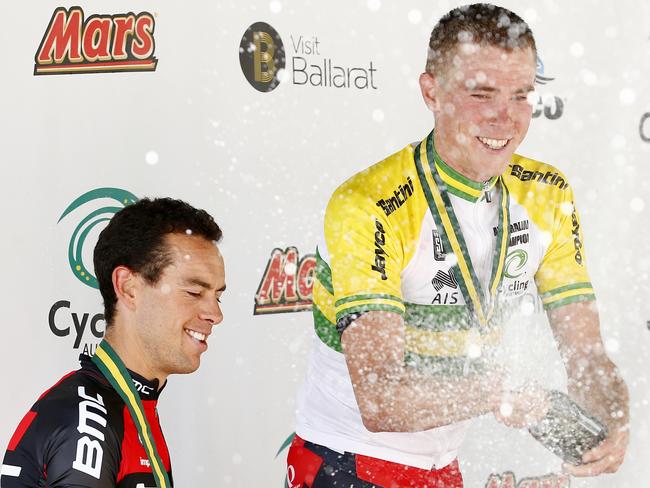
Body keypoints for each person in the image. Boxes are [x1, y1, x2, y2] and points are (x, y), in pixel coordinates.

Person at [288, 3, 629, 486]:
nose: (504, 119)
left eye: (520, 96)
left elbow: (587, 355)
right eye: (481, 94)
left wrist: (610, 419)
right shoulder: (368, 203)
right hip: (349, 460)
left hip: (442, 467)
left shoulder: (548, 193)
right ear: (432, 91)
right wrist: (497, 392)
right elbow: (381, 400)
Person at [1, 198, 226, 487]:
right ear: (129, 288)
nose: (215, 314)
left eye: (217, 297)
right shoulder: (88, 423)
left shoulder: (131, 405)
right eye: (194, 292)